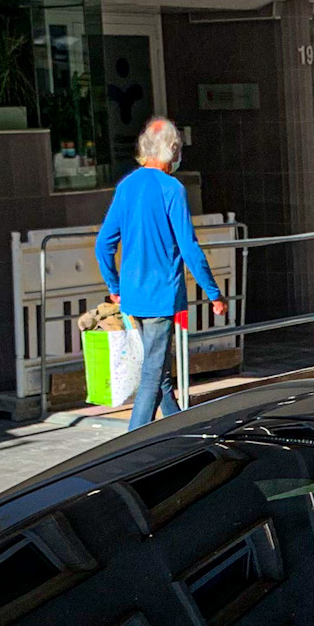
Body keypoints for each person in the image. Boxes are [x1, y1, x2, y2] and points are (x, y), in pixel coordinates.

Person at [95, 117, 225, 430]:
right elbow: (190, 248)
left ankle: (182, 430)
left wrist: (114, 286)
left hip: (132, 298)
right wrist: (214, 293)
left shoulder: (127, 186)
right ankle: (130, 448)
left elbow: (104, 245)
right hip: (160, 297)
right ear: (172, 150)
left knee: (160, 374)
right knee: (152, 378)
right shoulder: (172, 189)